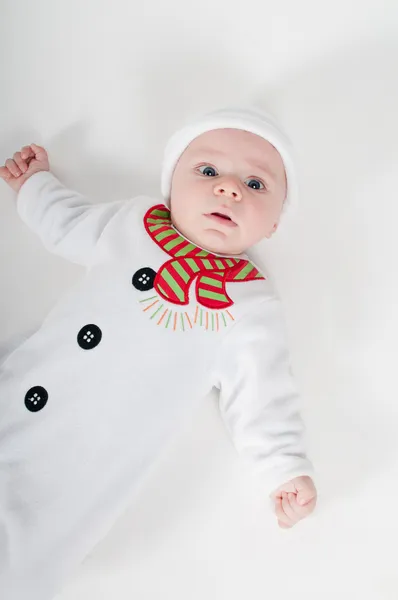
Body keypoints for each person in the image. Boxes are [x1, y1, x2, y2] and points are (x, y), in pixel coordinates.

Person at [0, 107, 317, 599]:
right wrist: (36, 187)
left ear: (275, 223)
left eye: (256, 185)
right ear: (171, 187)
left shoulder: (250, 305)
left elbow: (262, 395)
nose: (229, 189)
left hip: (83, 463)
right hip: (22, 391)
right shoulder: (133, 222)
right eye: (208, 171)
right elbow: (69, 223)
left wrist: (283, 466)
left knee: (23, 552)